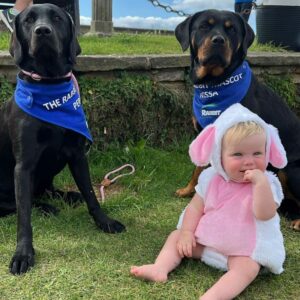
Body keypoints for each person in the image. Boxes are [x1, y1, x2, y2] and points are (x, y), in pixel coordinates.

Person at [131, 103, 286, 300]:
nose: (249, 161)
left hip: (243, 249)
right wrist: (187, 233)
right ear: (219, 156)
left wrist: (260, 184)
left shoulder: (267, 183)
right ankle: (160, 267)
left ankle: (212, 297)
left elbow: (265, 214)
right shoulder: (211, 178)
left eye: (257, 153)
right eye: (238, 154)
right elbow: (195, 208)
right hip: (208, 242)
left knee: (248, 268)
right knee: (176, 236)